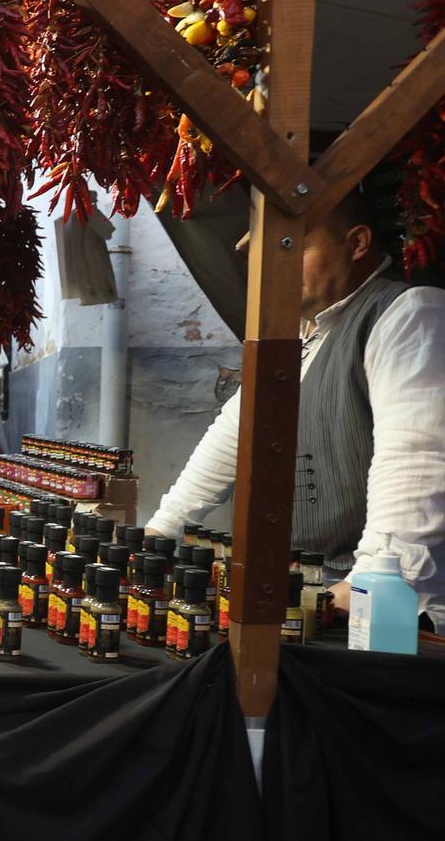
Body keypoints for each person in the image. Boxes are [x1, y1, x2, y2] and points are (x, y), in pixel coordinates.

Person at [147, 190, 445, 625]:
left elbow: (417, 461)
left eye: (293, 247)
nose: (274, 267)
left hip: (390, 613)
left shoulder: (408, 315)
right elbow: (231, 438)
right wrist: (160, 533)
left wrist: (366, 584)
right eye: (268, 253)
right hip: (316, 593)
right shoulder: (300, 342)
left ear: (357, 243)